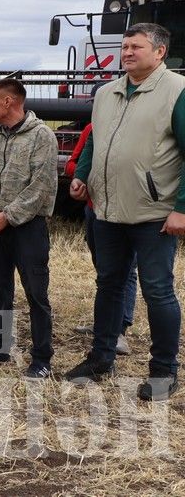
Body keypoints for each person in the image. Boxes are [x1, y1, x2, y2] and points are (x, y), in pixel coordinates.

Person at [66, 23, 185, 401]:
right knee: (109, 285)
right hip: (108, 210)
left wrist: (181, 209)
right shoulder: (106, 93)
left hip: (154, 213)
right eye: (125, 46)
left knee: (158, 291)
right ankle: (101, 359)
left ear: (160, 52)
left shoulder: (177, 92)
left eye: (136, 46)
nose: (128, 52)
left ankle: (164, 372)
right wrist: (83, 175)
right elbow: (95, 140)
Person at [0, 79, 57, 378]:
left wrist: (7, 216)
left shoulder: (42, 136)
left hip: (27, 228)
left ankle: (42, 358)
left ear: (8, 102)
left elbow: (41, 187)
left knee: (36, 293)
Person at [66, 122, 136, 356]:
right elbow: (73, 163)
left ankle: (120, 331)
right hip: (95, 209)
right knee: (105, 271)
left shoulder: (139, 126)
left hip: (127, 209)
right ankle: (106, 323)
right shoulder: (92, 128)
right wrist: (82, 178)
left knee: (125, 271)